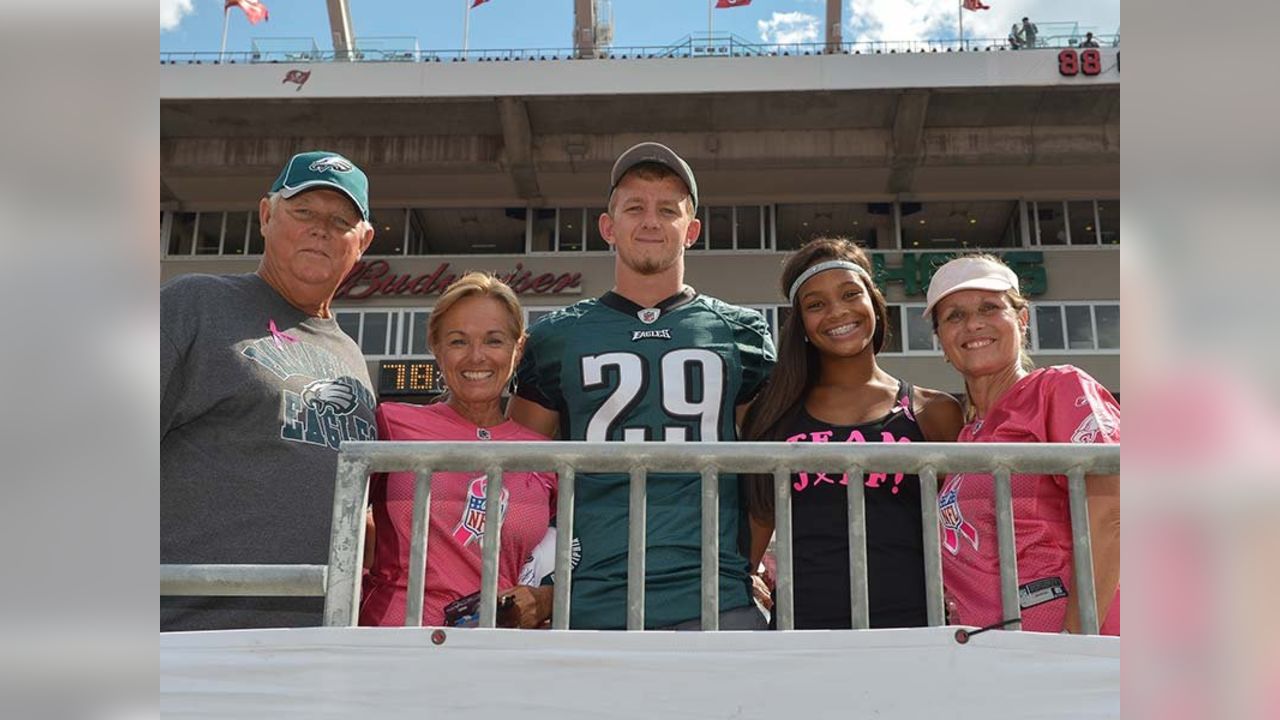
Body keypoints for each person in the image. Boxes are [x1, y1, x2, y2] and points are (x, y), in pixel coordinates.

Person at [508, 142, 777, 630]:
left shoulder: (741, 332)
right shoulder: (556, 336)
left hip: (715, 597)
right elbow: (520, 473)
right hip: (589, 597)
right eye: (635, 207)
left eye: (667, 210)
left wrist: (748, 563)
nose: (650, 221)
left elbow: (763, 475)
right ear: (608, 226)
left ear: (691, 230)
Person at [161, 151, 379, 630]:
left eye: (341, 220)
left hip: (313, 645)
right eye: (303, 212)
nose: (321, 229)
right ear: (266, 215)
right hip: (188, 633)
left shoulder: (351, 358)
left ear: (361, 242)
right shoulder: (193, 304)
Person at [740, 239, 963, 629]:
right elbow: (758, 522)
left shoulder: (934, 411)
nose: (838, 312)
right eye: (816, 304)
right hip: (803, 635)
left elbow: (963, 525)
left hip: (914, 632)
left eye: (850, 294)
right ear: (801, 324)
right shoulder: (774, 415)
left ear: (874, 302)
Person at [925, 254, 1120, 634]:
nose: (973, 324)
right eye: (954, 316)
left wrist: (1076, 640)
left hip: (1069, 650)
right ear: (941, 340)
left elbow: (1113, 513)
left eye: (989, 308)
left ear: (1022, 318)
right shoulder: (966, 436)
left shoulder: (1058, 388)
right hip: (998, 656)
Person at [360, 272, 557, 628]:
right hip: (394, 644)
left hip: (495, 651)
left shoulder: (544, 455)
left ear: (519, 348)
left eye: (494, 341)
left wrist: (544, 600)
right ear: (435, 347)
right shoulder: (391, 424)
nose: (476, 357)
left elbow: (575, 557)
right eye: (458, 341)